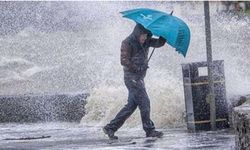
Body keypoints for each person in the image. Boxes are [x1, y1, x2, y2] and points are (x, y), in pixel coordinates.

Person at [103, 23, 166, 140]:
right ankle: (149, 130)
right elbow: (123, 61)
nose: (144, 38)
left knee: (131, 106)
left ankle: (110, 128)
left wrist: (164, 34)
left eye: (147, 35)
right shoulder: (127, 42)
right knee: (145, 102)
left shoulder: (147, 40)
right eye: (143, 35)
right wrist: (138, 68)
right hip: (131, 78)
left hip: (139, 78)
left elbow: (159, 43)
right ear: (137, 33)